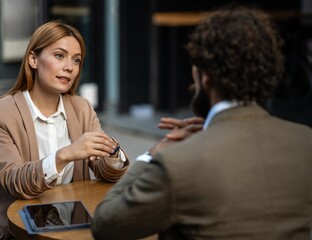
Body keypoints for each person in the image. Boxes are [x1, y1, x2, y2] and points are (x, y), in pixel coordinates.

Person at [92, 6, 312, 240]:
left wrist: (153, 154)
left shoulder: (177, 163)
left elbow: (106, 223)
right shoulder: (305, 142)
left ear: (205, 77)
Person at [0, 21, 129, 239]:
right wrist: (65, 155)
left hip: (69, 224)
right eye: (60, 56)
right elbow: (15, 182)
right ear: (33, 59)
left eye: (76, 60)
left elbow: (107, 172)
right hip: (11, 230)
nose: (69, 67)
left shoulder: (82, 108)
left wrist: (113, 154)